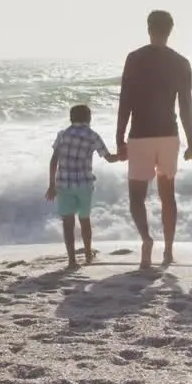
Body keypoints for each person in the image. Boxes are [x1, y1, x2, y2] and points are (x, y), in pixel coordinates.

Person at [116, 10, 192, 269]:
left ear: (148, 28)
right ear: (170, 30)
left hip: (140, 136)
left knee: (136, 197)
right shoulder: (181, 62)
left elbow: (125, 101)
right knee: (168, 196)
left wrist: (119, 138)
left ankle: (146, 239)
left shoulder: (134, 59)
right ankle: (169, 250)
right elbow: (186, 106)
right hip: (168, 136)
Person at [46, 104, 118, 270]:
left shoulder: (62, 135)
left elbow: (53, 160)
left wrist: (51, 185)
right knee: (84, 220)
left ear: (71, 118)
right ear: (89, 118)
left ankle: (72, 260)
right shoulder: (92, 136)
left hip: (63, 184)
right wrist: (125, 155)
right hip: (84, 184)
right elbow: (109, 158)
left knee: (68, 223)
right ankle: (87, 254)